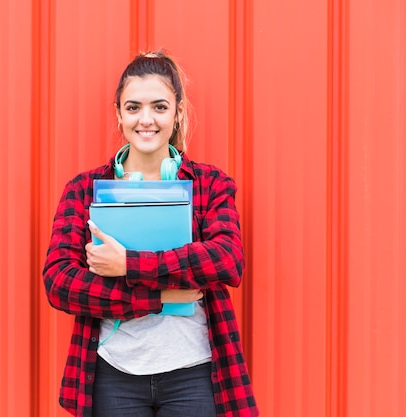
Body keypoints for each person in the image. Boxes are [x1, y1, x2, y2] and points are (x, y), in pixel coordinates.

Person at [42, 49, 259, 417]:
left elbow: (227, 260)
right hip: (113, 373)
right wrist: (158, 298)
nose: (147, 119)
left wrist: (126, 263)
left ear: (177, 113)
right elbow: (60, 282)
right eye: (133, 108)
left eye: (159, 107)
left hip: (194, 372)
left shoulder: (209, 184)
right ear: (118, 114)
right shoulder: (84, 189)